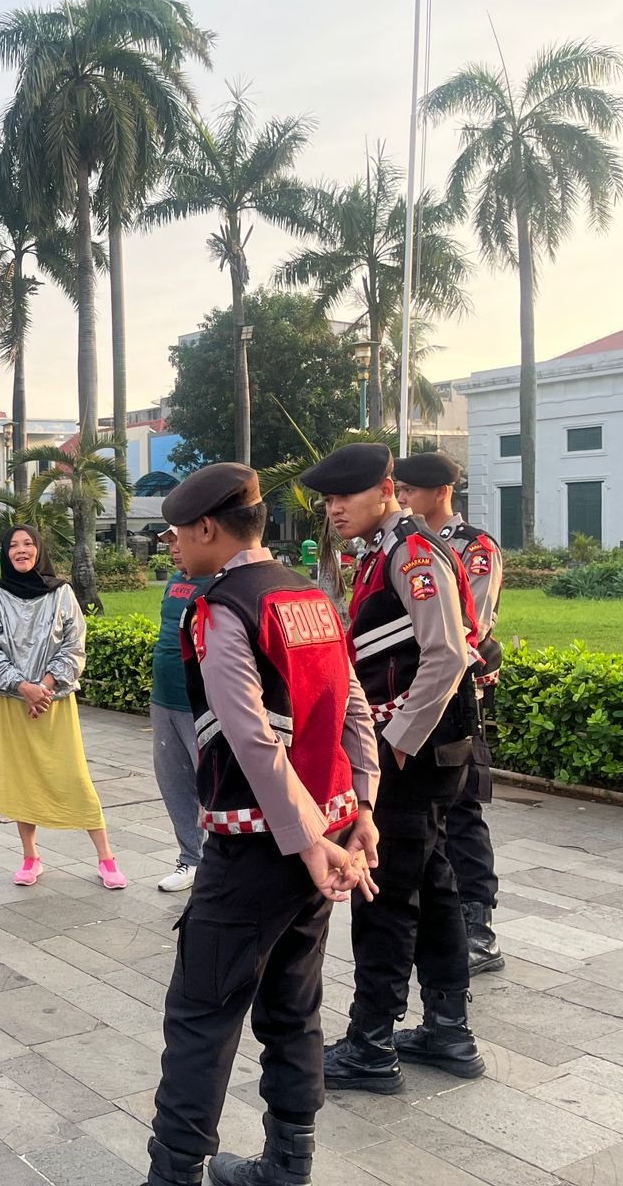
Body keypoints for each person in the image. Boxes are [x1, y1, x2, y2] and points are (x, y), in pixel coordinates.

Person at [144, 463, 381, 1186]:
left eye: (176, 534)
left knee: (201, 1014)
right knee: (294, 1005)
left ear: (207, 528)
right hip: (328, 838)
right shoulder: (309, 595)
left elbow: (250, 736)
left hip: (258, 846)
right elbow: (353, 704)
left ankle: (174, 1175)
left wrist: (305, 840)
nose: (172, 547)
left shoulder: (222, 608)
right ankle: (288, 1162)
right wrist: (363, 807)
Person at [300, 443, 487, 1095]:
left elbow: (447, 655)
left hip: (418, 750)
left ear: (386, 490)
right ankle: (447, 1030)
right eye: (328, 499)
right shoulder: (385, 550)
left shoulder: (411, 553)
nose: (334, 508)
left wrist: (397, 742)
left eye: (345, 495)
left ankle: (372, 1043)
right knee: (433, 885)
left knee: (384, 893)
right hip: (424, 747)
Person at [395, 451, 506, 976]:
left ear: (441, 491)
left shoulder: (473, 548)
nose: (401, 499)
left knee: (462, 810)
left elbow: (469, 628)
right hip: (413, 694)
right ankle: (443, 921)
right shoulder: (402, 546)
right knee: (430, 814)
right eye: (399, 491)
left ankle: (479, 926)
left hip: (456, 695)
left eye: (410, 491)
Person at [0, 525, 127, 889]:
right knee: (21, 778)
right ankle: (30, 856)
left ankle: (106, 858)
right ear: (5, 553)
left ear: (39, 549)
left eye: (28, 544)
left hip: (53, 702)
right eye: (13, 545)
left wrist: (45, 686)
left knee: (73, 776)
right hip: (11, 703)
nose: (21, 550)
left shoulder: (62, 593)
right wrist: (22, 686)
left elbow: (74, 644)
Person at [150, 529, 211, 891]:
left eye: (178, 540)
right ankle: (190, 859)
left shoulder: (216, 584)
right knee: (173, 783)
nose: (174, 549)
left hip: (198, 705)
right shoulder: (174, 582)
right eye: (169, 542)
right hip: (163, 699)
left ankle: (217, 860)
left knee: (211, 785)